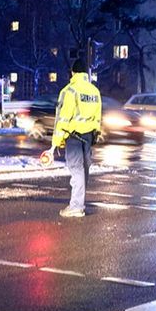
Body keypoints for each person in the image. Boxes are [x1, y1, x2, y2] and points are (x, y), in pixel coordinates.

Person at [52, 59, 103, 217]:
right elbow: (98, 116)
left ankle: (76, 206)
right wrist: (96, 132)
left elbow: (63, 118)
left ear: (73, 72)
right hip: (88, 136)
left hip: (73, 136)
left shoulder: (70, 91)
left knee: (76, 170)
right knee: (84, 169)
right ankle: (79, 203)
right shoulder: (94, 91)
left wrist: (56, 141)